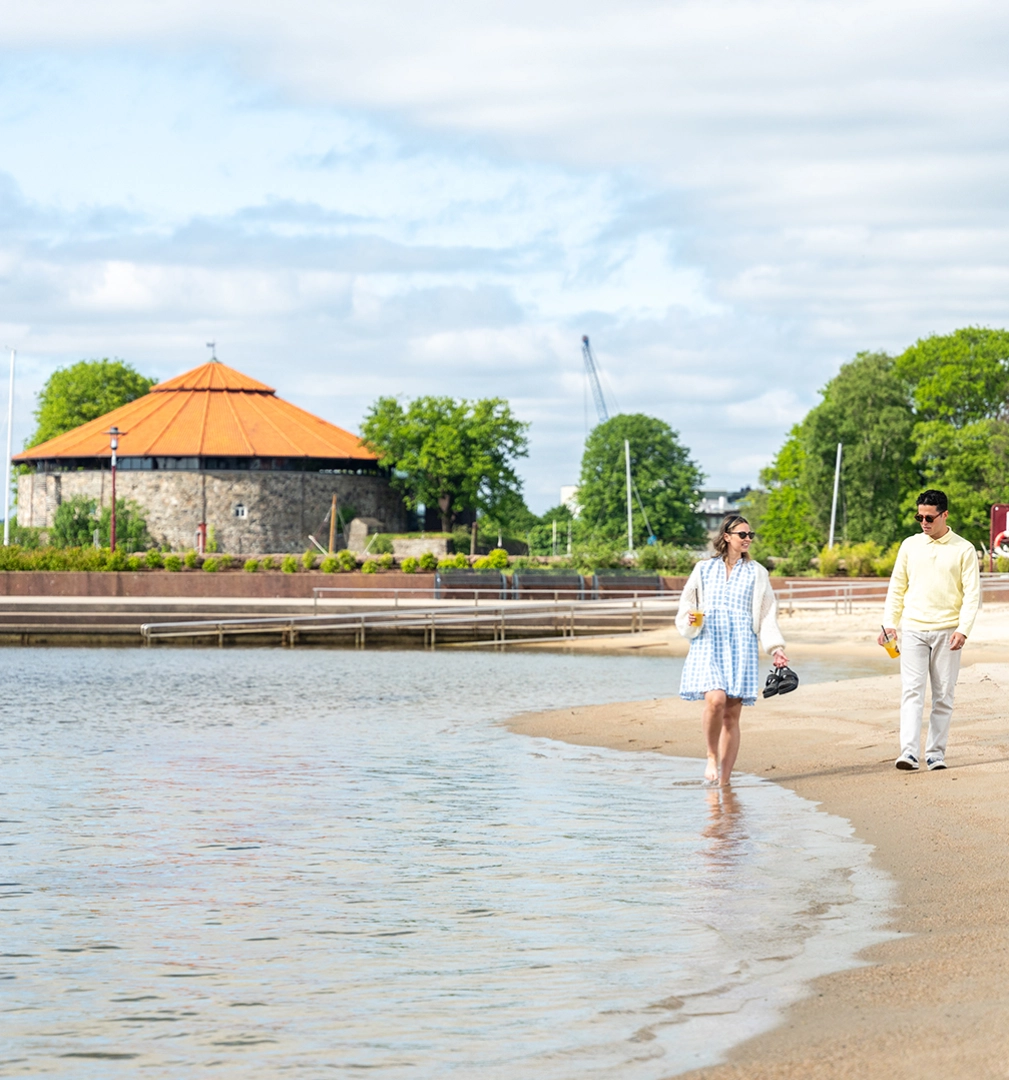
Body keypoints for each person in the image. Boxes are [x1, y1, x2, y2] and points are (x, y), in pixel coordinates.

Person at [676, 514, 788, 786]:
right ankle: (711, 756)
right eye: (742, 534)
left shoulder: (758, 572)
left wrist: (776, 648)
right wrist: (689, 617)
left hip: (742, 645)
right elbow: (687, 604)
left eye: (750, 535)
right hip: (709, 641)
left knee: (731, 715)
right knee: (715, 700)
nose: (748, 539)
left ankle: (724, 782)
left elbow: (766, 614)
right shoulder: (703, 569)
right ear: (726, 536)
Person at [880, 489, 981, 772]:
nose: (923, 522)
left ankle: (935, 754)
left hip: (948, 631)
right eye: (919, 516)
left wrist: (964, 629)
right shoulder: (909, 545)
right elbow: (896, 587)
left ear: (944, 515)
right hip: (912, 629)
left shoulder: (964, 549)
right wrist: (889, 624)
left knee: (943, 695)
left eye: (929, 517)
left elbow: (972, 595)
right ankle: (909, 753)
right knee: (912, 692)